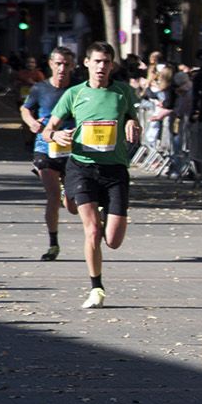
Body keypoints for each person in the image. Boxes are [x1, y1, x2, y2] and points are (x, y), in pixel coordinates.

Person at [41, 42, 141, 309]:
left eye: (106, 62)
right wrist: (56, 135)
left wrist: (132, 122)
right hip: (82, 166)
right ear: (86, 63)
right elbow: (47, 130)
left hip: (115, 169)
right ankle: (96, 288)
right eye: (96, 61)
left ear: (112, 65)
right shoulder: (74, 94)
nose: (101, 67)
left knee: (114, 241)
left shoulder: (123, 92)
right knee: (92, 230)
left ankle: (92, 202)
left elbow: (132, 117)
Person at [20, 47, 76, 260]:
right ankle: (53, 244)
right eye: (58, 63)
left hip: (71, 149)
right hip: (45, 148)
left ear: (73, 66)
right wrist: (32, 122)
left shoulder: (78, 89)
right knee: (52, 195)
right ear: (51, 64)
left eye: (66, 64)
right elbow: (25, 109)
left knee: (72, 206)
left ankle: (68, 194)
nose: (62, 68)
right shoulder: (39, 88)